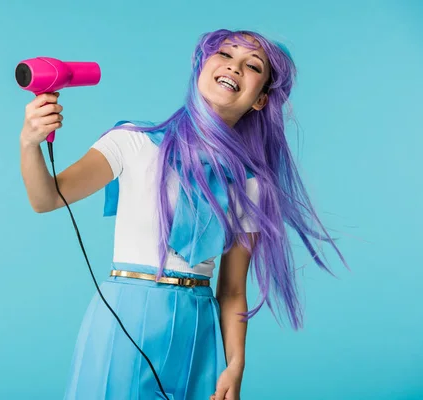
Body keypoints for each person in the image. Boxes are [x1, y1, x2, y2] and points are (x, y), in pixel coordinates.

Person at [19, 29, 348, 400]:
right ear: (201, 65)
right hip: (126, 314)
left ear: (261, 99)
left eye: (252, 65)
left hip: (198, 327)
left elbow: (234, 289)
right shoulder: (131, 142)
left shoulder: (251, 185)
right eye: (225, 54)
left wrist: (235, 366)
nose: (234, 67)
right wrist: (30, 143)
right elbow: (46, 198)